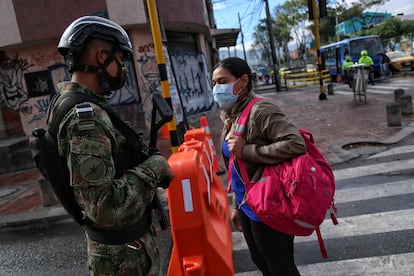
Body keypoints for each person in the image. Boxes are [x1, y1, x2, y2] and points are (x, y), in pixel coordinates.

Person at [55, 16, 173, 275]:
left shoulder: (80, 106)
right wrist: (156, 167)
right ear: (101, 57)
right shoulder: (84, 119)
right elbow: (103, 208)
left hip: (125, 249)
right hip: (122, 260)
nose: (122, 68)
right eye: (119, 60)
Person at [212, 57, 306, 276]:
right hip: (248, 203)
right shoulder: (230, 114)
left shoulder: (261, 111)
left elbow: (296, 144)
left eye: (222, 81)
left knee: (281, 267)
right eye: (214, 83)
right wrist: (236, 204)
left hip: (269, 202)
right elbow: (235, 165)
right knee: (261, 262)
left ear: (243, 81)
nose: (217, 89)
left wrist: (248, 151)